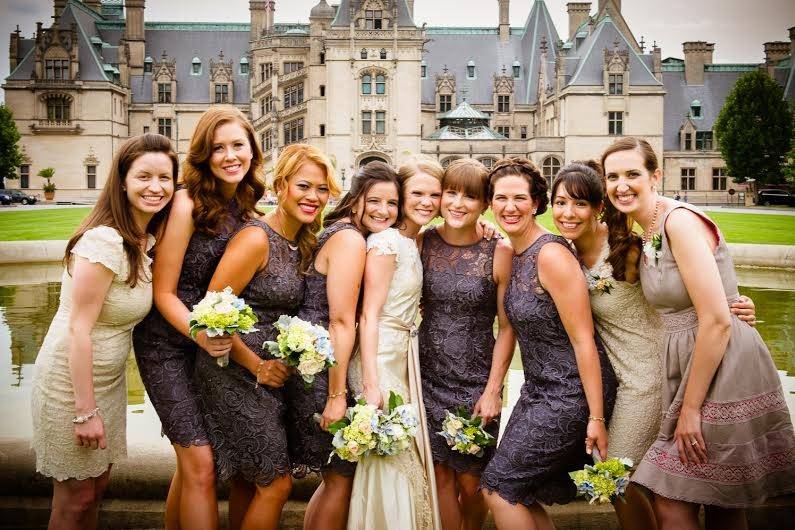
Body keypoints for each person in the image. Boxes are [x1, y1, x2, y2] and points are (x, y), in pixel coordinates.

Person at [550, 160, 757, 530]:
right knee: (636, 484)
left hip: (651, 377)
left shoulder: (629, 249)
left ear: (600, 207)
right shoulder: (561, 252)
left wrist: (734, 305)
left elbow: (680, 292)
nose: (568, 213)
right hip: (624, 379)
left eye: (580, 203)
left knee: (615, 476)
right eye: (561, 202)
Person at [601, 137, 795, 530]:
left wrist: (690, 409)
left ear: (656, 175)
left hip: (721, 364)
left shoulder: (680, 222)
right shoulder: (643, 229)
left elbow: (718, 320)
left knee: (675, 500)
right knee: (718, 498)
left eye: (632, 174)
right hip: (692, 360)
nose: (621, 184)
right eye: (612, 176)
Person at [31, 133, 177, 530]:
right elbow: (78, 330)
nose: (156, 187)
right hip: (71, 386)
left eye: (165, 178)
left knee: (96, 490)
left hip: (107, 383)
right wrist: (84, 412)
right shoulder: (104, 240)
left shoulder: (142, 242)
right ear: (123, 180)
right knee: (73, 502)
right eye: (144, 176)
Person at [194, 143, 338, 530]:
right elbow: (211, 315)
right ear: (281, 185)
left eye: (322, 190)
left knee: (248, 483)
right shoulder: (255, 239)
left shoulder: (305, 239)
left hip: (272, 376)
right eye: (304, 186)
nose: (313, 197)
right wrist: (255, 365)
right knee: (276, 484)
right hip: (234, 371)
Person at [133, 106, 265, 530]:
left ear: (252, 150)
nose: (230, 156)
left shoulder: (249, 209)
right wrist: (201, 333)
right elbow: (163, 292)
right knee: (201, 462)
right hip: (168, 346)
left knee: (189, 463)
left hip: (211, 350)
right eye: (218, 148)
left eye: (238, 146)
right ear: (203, 155)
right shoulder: (186, 202)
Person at [479, 157, 617, 530]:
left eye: (519, 198)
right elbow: (508, 328)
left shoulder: (551, 254)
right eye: (500, 198)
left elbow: (584, 340)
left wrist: (596, 417)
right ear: (490, 203)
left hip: (571, 393)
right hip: (539, 389)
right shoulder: (515, 253)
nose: (509, 207)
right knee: (515, 490)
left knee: (499, 488)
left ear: (537, 202)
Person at [290, 163, 403, 530]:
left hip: (317, 362)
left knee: (335, 479)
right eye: (374, 200)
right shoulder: (351, 240)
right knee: (340, 478)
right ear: (356, 200)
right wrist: (337, 395)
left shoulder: (340, 231)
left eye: (392, 202)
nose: (383, 210)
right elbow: (341, 321)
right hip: (324, 372)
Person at [417, 158, 515, 530]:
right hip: (428, 374)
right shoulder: (423, 243)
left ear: (484, 204)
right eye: (451, 193)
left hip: (476, 379)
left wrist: (493, 390)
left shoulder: (498, 250)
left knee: (472, 481)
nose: (458, 203)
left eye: (470, 197)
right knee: (440, 475)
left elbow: (507, 328)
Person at [347, 157, 444, 530]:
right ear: (402, 196)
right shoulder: (386, 241)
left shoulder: (412, 241)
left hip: (401, 355)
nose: (426, 201)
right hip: (379, 357)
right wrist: (371, 383)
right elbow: (368, 315)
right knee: (391, 455)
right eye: (417, 193)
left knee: (400, 452)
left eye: (434, 194)